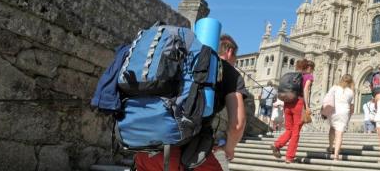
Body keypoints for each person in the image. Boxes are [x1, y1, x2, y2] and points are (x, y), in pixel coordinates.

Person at [134, 34, 247, 171]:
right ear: (229, 52)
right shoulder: (229, 72)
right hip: (187, 156)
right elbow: (237, 125)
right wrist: (229, 149)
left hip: (146, 149)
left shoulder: (181, 58)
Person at [271, 59, 315, 163]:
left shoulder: (292, 76)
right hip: (298, 104)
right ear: (308, 68)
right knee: (296, 132)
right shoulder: (308, 76)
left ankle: (277, 145)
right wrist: (307, 106)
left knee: (289, 129)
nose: (312, 71)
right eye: (312, 69)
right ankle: (289, 157)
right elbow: (305, 90)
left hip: (288, 103)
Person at [326, 74, 355, 161]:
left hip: (333, 111)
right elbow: (352, 106)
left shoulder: (334, 88)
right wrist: (350, 115)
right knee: (339, 134)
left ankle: (331, 147)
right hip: (344, 113)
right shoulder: (351, 92)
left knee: (332, 128)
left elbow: (327, 98)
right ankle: (336, 155)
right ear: (351, 82)